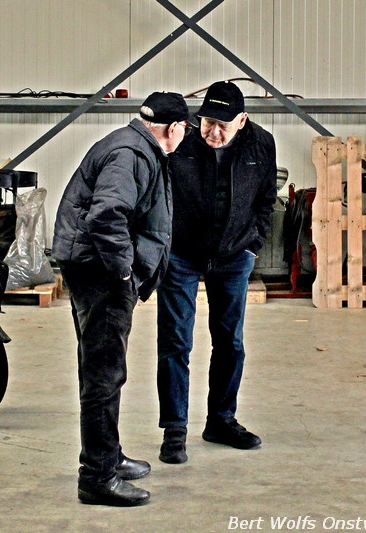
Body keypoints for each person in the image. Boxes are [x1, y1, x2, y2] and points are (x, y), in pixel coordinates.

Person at [53, 92, 190, 506]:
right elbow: (107, 214)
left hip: (95, 268)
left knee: (102, 369)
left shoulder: (133, 145)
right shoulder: (131, 154)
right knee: (104, 374)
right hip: (101, 273)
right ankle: (97, 476)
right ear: (173, 128)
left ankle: (108, 456)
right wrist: (125, 270)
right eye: (185, 129)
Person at [157, 81, 277, 464]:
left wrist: (251, 245)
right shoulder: (182, 141)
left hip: (233, 255)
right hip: (181, 254)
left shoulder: (261, 144)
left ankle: (221, 421)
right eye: (208, 122)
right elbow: (158, 192)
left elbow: (266, 198)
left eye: (223, 125)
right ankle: (175, 431)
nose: (213, 132)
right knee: (176, 342)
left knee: (230, 342)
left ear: (242, 120)